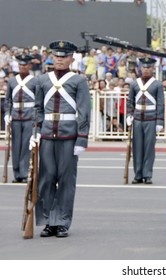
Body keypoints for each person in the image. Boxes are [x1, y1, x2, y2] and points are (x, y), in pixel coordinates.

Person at [29, 40, 91, 238]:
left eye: (64, 56)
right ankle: (48, 221)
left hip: (68, 136)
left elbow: (84, 112)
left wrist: (82, 139)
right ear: (51, 57)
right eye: (57, 56)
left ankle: (62, 221)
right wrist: (35, 132)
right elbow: (38, 109)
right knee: (46, 180)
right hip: (47, 135)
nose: (60, 60)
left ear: (72, 58)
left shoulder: (78, 81)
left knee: (66, 181)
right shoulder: (42, 80)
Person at [126, 57, 164, 184]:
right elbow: (130, 101)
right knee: (137, 148)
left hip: (151, 118)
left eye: (149, 67)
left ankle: (147, 174)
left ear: (153, 68)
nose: (146, 69)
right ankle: (138, 174)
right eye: (144, 67)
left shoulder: (157, 84)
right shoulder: (134, 83)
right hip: (137, 118)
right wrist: (129, 115)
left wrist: (159, 121)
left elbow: (160, 104)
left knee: (149, 148)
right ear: (140, 68)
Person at [4, 54, 38, 183]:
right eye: (20, 65)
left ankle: (24, 173)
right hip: (15, 116)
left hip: (29, 116)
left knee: (26, 145)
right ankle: (17, 173)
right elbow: (8, 100)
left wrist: (36, 117)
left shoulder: (35, 81)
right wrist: (7, 113)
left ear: (30, 66)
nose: (22, 67)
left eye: (25, 65)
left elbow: (38, 101)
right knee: (16, 145)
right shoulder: (12, 81)